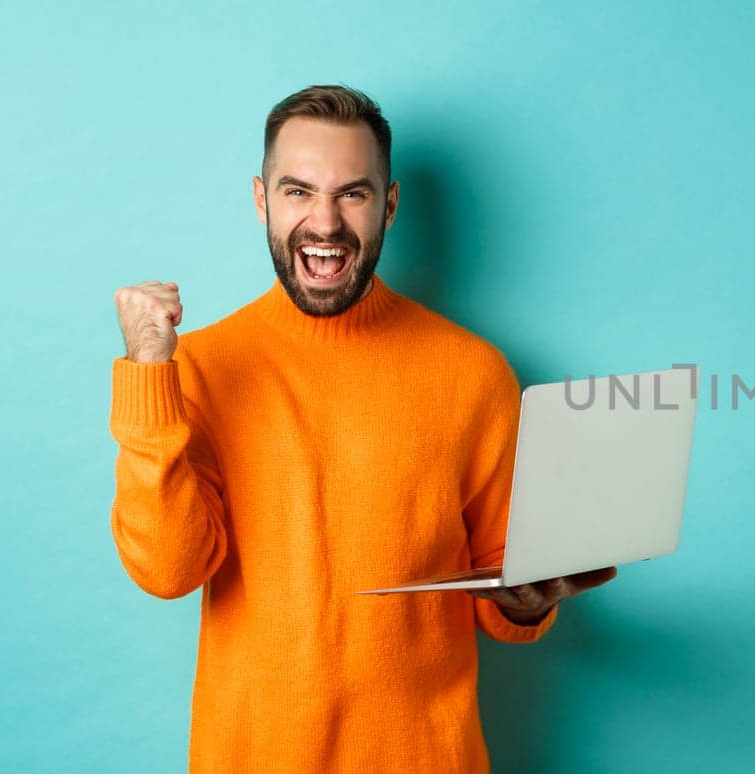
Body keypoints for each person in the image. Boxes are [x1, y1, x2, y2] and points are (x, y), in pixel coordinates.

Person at [108, 84, 616, 772]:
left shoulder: (475, 374)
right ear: (262, 201)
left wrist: (525, 603)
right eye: (298, 192)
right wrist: (148, 375)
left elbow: (506, 592)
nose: (324, 222)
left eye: (352, 193)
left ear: (390, 206)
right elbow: (169, 572)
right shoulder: (198, 368)